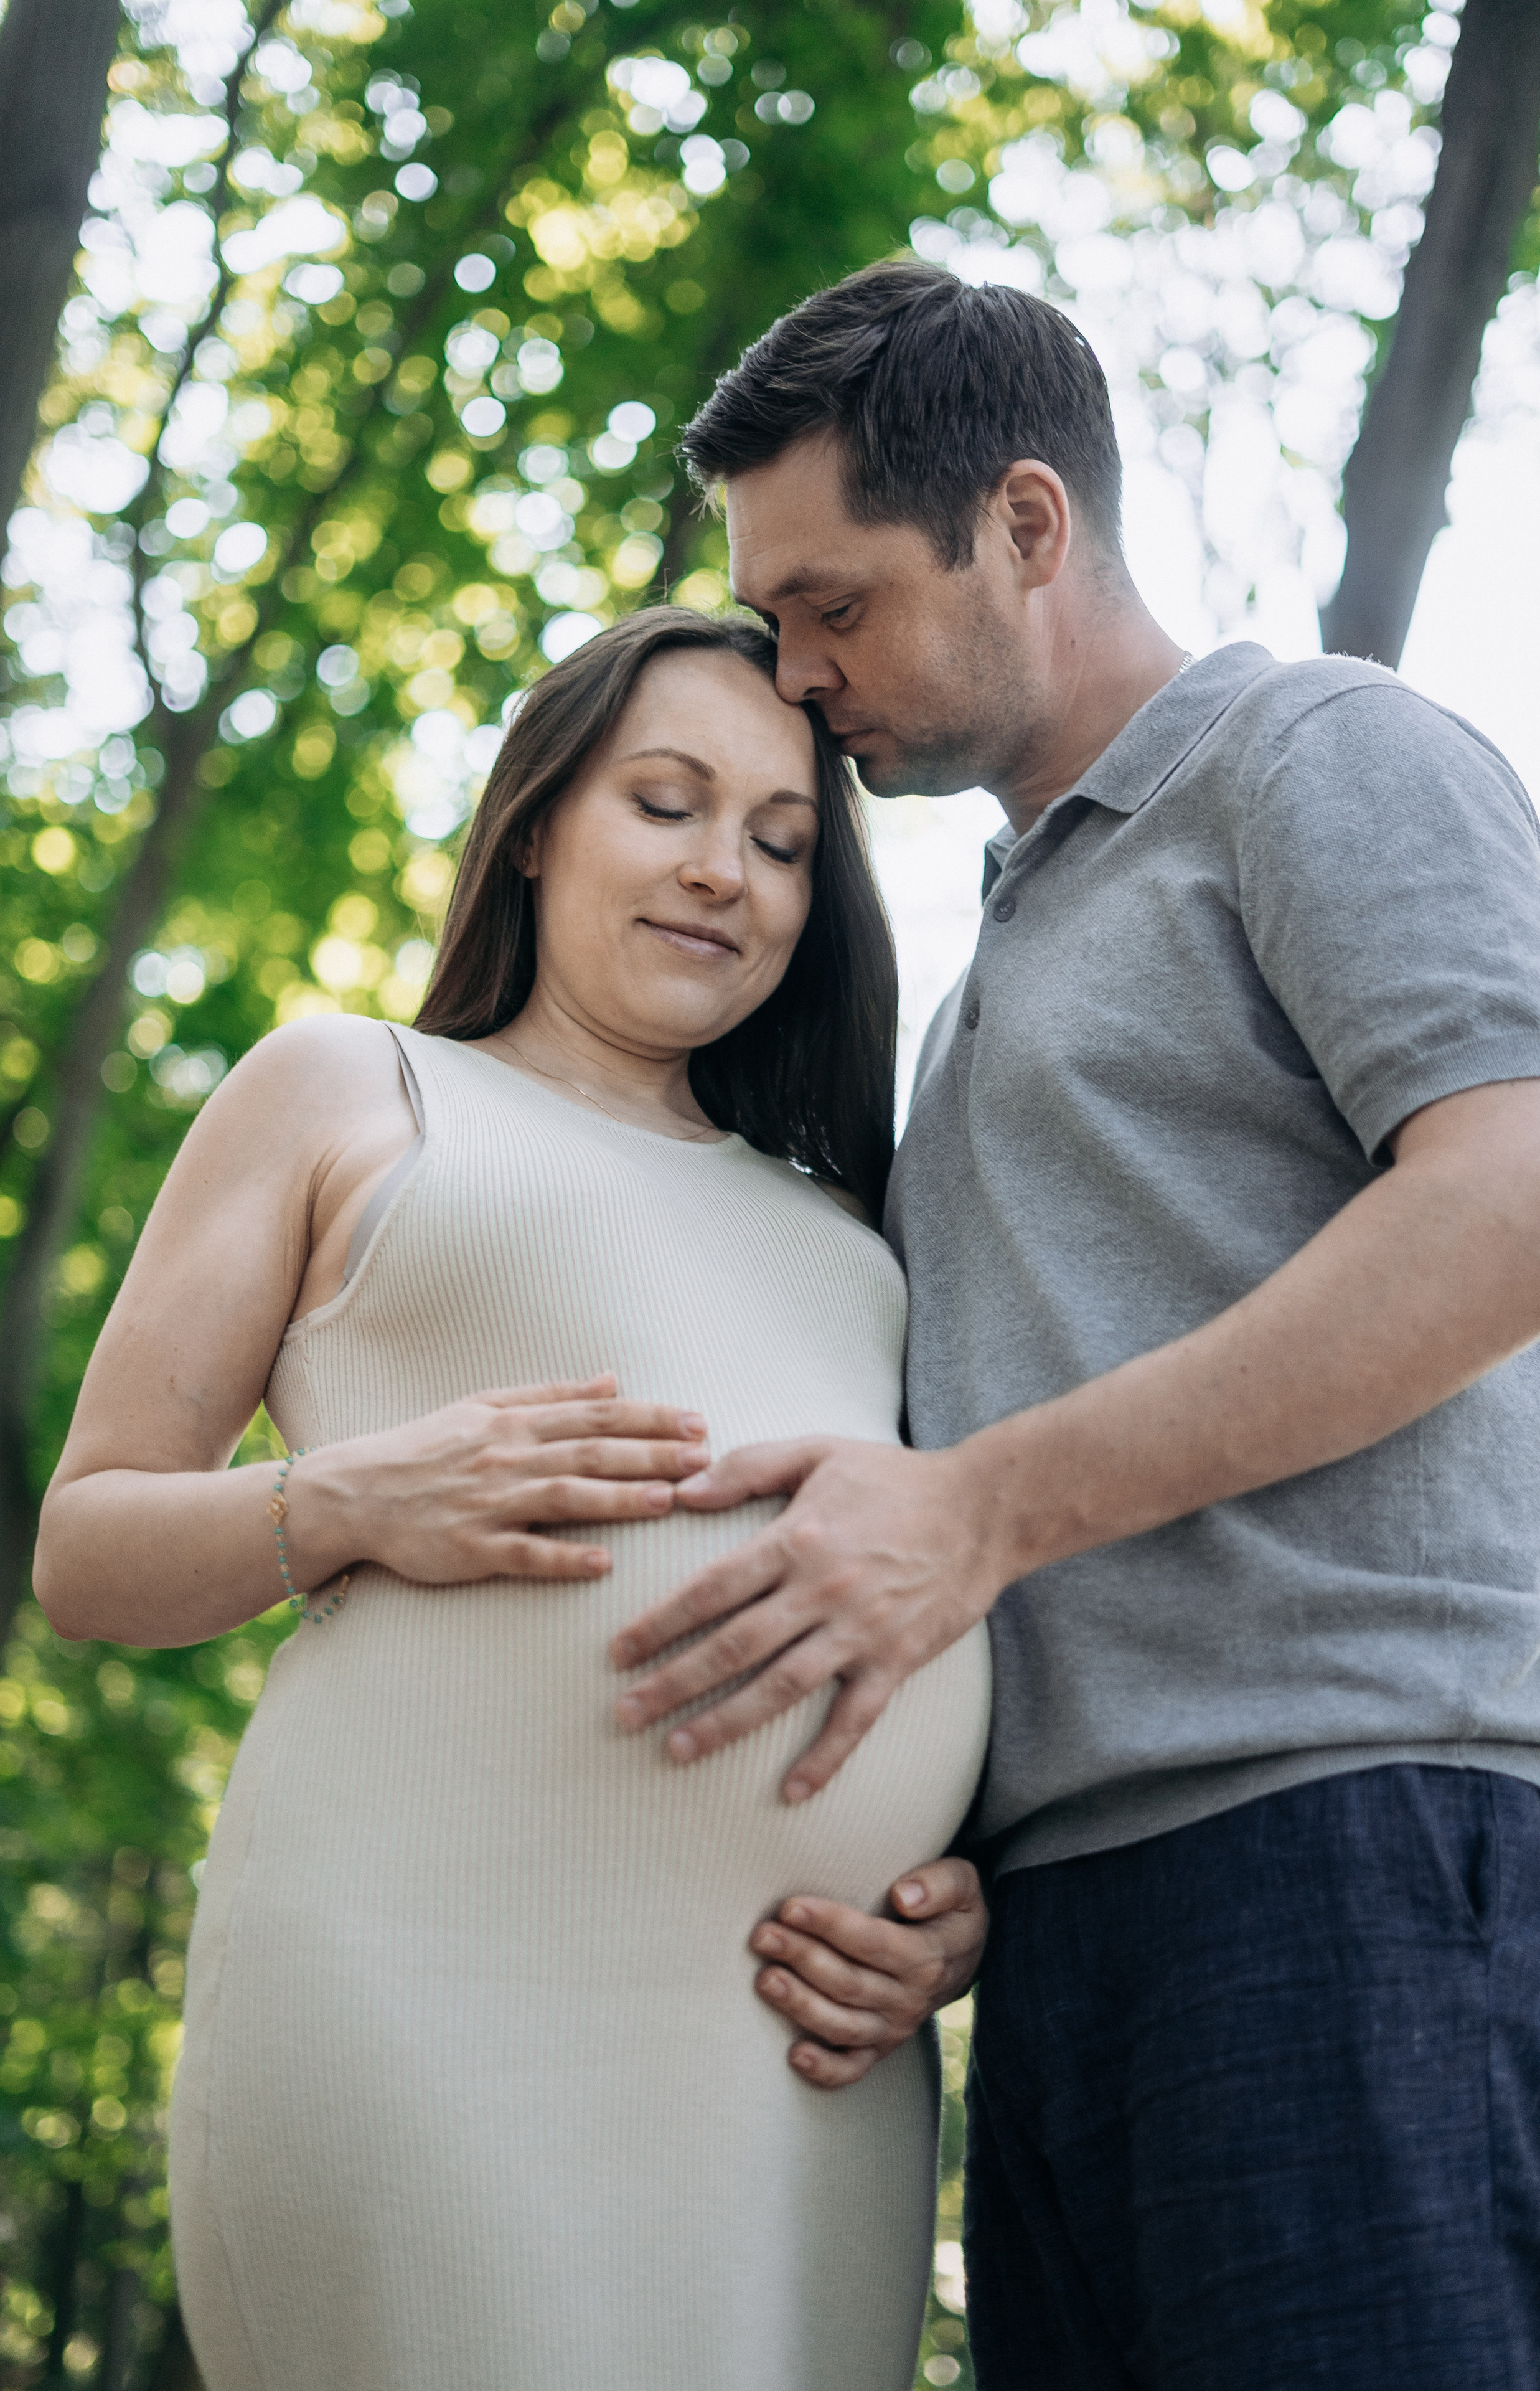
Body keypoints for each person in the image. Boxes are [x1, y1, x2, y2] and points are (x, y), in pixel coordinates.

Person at [604, 262, 1540, 2387]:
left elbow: (1537, 1194)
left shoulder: (1314, 753)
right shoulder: (992, 974)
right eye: (774, 616)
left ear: (1026, 527)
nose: (796, 671)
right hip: (1077, 1946)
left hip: (1361, 1854)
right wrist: (959, 1864)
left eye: (834, 601)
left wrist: (973, 1513)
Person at [34, 606, 992, 2391]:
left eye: (782, 843)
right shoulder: (354, 1091)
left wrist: (962, 1907)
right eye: (667, 805)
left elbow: (957, 1608)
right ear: (541, 817)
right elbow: (86, 1552)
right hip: (422, 2003)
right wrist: (343, 1497)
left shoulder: (861, 1243)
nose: (726, 874)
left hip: (796, 2077)